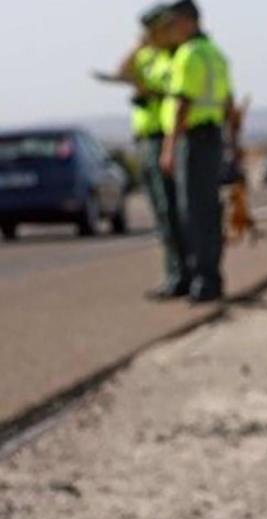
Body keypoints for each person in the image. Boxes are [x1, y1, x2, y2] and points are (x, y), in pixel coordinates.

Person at [94, 4, 190, 299]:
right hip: (146, 138)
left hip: (165, 136)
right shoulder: (148, 55)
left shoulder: (172, 57)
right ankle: (175, 273)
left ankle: (183, 275)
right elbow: (122, 72)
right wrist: (139, 45)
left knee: (174, 211)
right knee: (162, 213)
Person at [159, 0, 238, 302]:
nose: (171, 31)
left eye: (174, 24)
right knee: (208, 209)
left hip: (193, 139)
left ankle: (203, 280)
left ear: (189, 21)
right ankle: (210, 277)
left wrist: (169, 148)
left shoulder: (190, 54)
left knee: (193, 211)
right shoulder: (215, 54)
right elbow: (229, 102)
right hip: (212, 137)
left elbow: (183, 103)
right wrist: (232, 142)